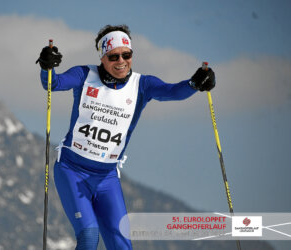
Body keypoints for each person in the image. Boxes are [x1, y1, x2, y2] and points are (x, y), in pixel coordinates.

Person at [36, 24, 215, 250]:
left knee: (122, 245)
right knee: (90, 236)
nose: (121, 61)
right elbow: (52, 83)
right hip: (72, 170)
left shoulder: (142, 85)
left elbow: (172, 92)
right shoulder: (84, 75)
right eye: (113, 56)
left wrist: (196, 83)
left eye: (126, 54)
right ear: (102, 57)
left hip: (106, 178)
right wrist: (46, 65)